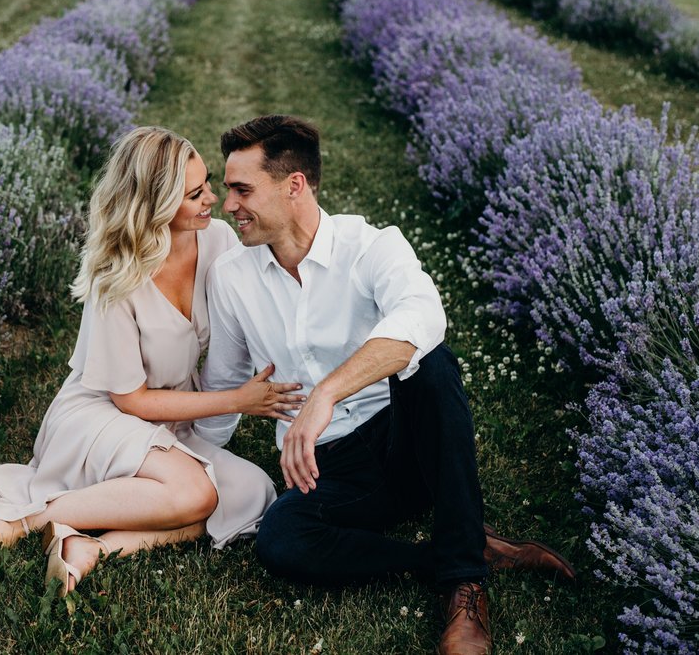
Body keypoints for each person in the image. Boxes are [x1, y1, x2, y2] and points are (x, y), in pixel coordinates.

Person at [194, 115, 576, 655]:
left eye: (242, 189)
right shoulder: (231, 276)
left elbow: (422, 315)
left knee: (432, 365)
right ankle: (451, 549)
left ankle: (464, 584)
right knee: (280, 541)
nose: (229, 204)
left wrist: (325, 392)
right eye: (227, 188)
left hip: (407, 446)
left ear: (294, 185)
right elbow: (227, 384)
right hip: (325, 469)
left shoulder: (370, 246)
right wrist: (190, 469)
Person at [0, 126, 304, 596]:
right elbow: (132, 400)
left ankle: (87, 549)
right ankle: (24, 520)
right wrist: (237, 401)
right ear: (156, 205)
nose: (213, 200)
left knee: (254, 493)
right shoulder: (115, 278)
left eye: (208, 185)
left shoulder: (219, 243)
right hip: (103, 415)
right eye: (194, 194)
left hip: (171, 416)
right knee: (198, 495)